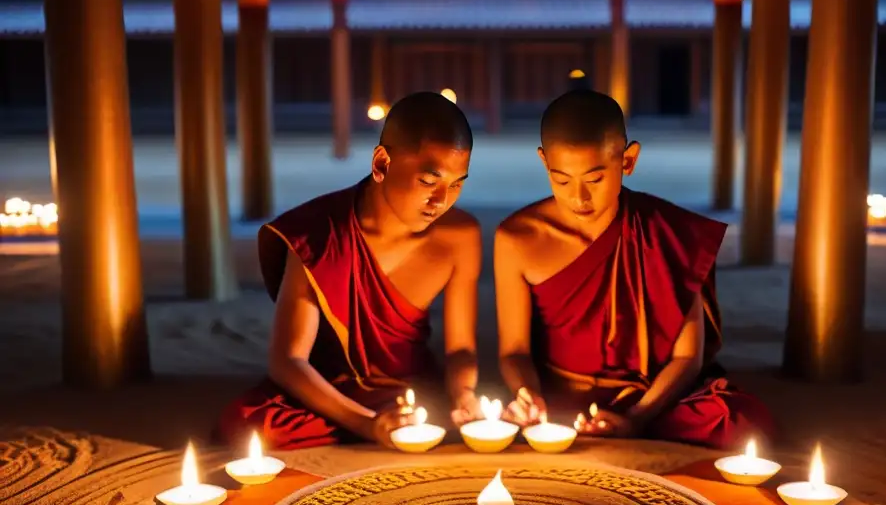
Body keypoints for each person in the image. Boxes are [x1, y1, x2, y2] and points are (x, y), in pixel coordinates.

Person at [494, 89, 774, 450]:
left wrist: (637, 418)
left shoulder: (668, 233)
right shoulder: (518, 237)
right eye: (561, 180)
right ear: (544, 161)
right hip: (559, 399)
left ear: (628, 160)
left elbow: (688, 356)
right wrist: (527, 394)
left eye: (594, 180)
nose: (578, 197)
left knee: (739, 423)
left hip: (648, 396)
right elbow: (513, 350)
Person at [216, 92, 483, 450]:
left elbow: (460, 348)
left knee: (434, 411)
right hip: (332, 385)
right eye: (427, 181)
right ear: (382, 164)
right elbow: (288, 360)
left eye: (457, 184)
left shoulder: (460, 236)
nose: (441, 201)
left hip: (411, 386)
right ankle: (371, 423)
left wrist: (464, 394)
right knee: (252, 425)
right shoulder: (320, 233)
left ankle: (396, 419)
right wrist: (368, 425)